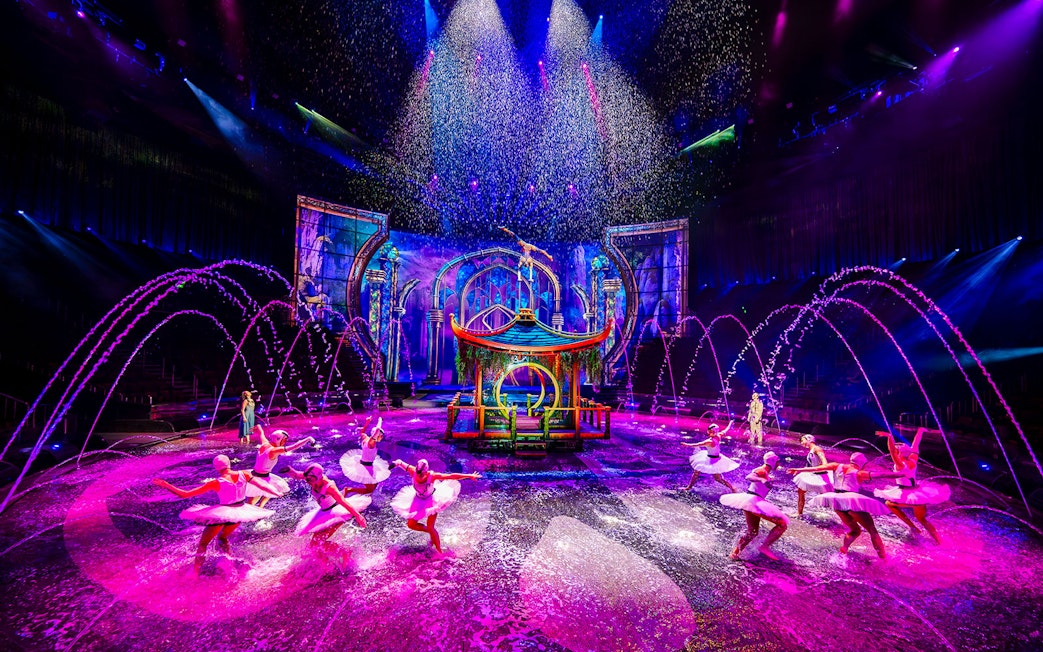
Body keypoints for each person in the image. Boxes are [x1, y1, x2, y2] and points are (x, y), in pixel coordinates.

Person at [152, 454, 277, 574]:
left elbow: (185, 494)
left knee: (203, 544)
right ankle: (229, 566)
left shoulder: (216, 482)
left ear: (216, 467)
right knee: (222, 537)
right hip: (240, 512)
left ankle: (195, 573)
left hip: (221, 515)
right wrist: (276, 492)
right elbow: (263, 485)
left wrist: (166, 485)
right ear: (229, 464)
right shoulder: (244, 474)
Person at [787, 452, 904, 559]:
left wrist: (798, 469)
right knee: (872, 531)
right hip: (852, 502)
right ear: (862, 463)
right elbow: (881, 475)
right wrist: (901, 474)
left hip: (838, 503)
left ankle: (844, 549)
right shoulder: (859, 473)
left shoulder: (835, 466)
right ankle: (883, 558)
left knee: (855, 530)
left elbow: (817, 468)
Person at [873, 428, 951, 543]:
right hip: (917, 492)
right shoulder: (913, 460)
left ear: (899, 453)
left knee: (889, 503)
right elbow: (915, 445)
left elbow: (891, 451)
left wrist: (889, 437)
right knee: (922, 519)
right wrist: (920, 432)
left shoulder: (900, 464)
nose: (895, 452)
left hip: (907, 493)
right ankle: (939, 541)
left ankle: (913, 527)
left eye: (897, 451)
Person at [389, 458, 480, 553]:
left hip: (431, 501)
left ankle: (439, 551)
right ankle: (430, 532)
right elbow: (400, 462)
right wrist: (395, 464)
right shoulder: (413, 471)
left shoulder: (432, 476)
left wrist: (469, 476)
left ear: (426, 471)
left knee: (430, 527)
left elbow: (451, 476)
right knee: (411, 525)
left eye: (422, 474)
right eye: (418, 473)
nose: (420, 476)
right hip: (417, 500)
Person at [285, 463, 369, 564]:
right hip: (323, 513)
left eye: (312, 479)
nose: (310, 482)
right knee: (314, 544)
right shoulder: (311, 477)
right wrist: (289, 470)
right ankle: (325, 562)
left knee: (317, 543)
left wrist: (358, 516)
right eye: (308, 479)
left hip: (335, 514)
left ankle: (345, 552)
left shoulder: (329, 487)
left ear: (319, 476)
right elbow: (298, 475)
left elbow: (343, 501)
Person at [720, 451, 788, 560]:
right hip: (754, 501)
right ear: (773, 461)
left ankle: (734, 554)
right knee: (782, 524)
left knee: (753, 531)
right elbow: (749, 477)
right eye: (778, 462)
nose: (779, 465)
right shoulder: (762, 471)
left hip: (752, 501)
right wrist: (761, 479)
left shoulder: (766, 473)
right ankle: (764, 547)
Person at [246, 425, 315, 508]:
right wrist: (308, 439)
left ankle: (261, 507)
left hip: (257, 474)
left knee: (272, 488)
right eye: (284, 440)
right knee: (251, 503)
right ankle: (253, 511)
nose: (285, 442)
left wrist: (257, 427)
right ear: (278, 439)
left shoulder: (265, 443)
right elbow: (293, 447)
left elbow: (261, 433)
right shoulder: (274, 450)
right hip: (260, 478)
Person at [681, 421, 739, 493]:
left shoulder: (709, 441)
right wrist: (730, 423)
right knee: (697, 472)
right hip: (714, 457)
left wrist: (687, 445)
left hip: (713, 460)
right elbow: (726, 430)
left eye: (712, 431)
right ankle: (689, 487)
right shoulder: (718, 436)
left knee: (717, 478)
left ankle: (733, 488)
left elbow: (697, 444)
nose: (711, 433)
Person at [340, 416, 392, 495]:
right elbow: (378, 429)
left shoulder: (366, 438)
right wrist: (380, 420)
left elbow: (362, 432)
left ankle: (368, 495)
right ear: (377, 435)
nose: (382, 438)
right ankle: (348, 490)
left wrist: (367, 422)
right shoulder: (371, 443)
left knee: (375, 482)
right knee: (370, 490)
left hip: (365, 463)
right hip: (365, 468)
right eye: (381, 436)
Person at [791, 435, 833, 516]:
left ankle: (840, 513)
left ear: (808, 439)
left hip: (821, 475)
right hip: (813, 474)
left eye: (802, 440)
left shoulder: (817, 449)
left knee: (827, 497)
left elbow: (824, 462)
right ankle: (799, 513)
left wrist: (823, 466)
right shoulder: (811, 451)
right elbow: (811, 464)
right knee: (800, 491)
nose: (801, 443)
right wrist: (800, 470)